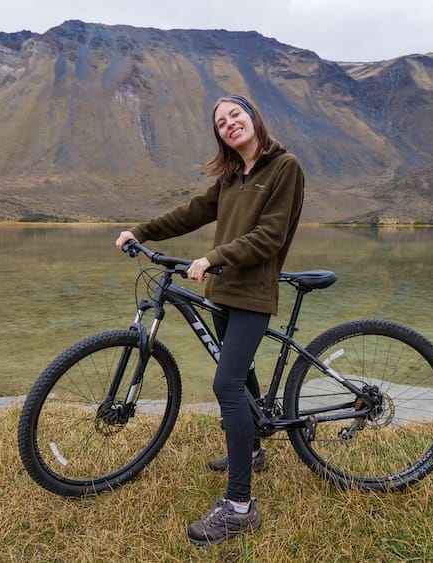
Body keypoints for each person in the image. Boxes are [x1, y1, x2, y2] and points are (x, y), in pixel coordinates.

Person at [115, 94, 304, 546]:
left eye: (235, 114)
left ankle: (240, 507)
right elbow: (194, 212)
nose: (229, 124)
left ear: (253, 117)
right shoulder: (232, 175)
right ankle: (255, 449)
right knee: (242, 374)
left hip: (253, 294)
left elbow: (270, 236)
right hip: (222, 292)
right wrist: (141, 231)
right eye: (221, 122)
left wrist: (214, 256)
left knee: (226, 385)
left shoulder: (285, 167)